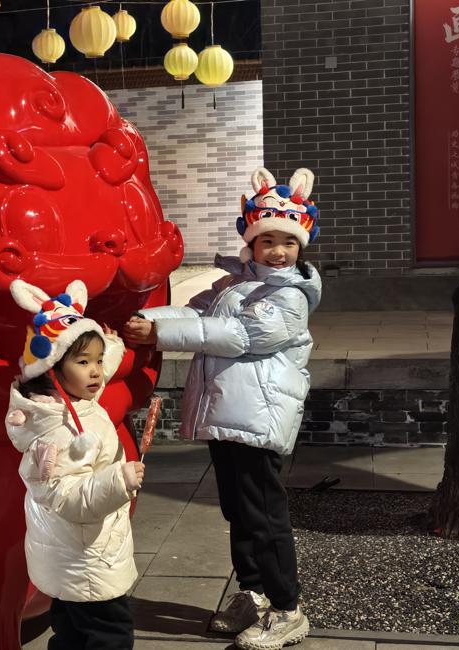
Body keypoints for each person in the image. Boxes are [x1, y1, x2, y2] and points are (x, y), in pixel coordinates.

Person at [123, 168, 322, 650]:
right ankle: (253, 593)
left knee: (264, 516)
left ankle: (287, 608)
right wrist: (144, 318)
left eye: (288, 242)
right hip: (228, 417)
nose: (278, 251)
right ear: (251, 242)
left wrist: (160, 334)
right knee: (238, 511)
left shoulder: (290, 295)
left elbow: (240, 336)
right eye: (267, 240)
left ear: (301, 246)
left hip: (258, 418)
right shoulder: (235, 284)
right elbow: (195, 312)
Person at [5, 278, 143, 650]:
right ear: (53, 370)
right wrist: (118, 481)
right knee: (109, 634)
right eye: (84, 362)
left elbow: (94, 365)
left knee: (72, 631)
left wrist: (110, 345)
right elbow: (65, 495)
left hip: (73, 556)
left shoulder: (67, 400)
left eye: (98, 360)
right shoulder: (59, 432)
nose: (96, 371)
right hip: (87, 560)